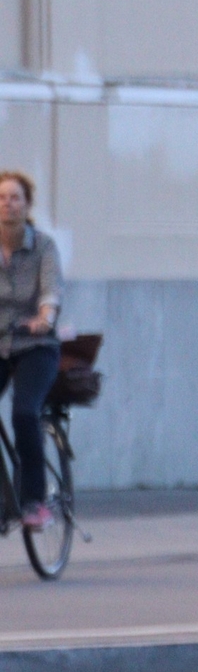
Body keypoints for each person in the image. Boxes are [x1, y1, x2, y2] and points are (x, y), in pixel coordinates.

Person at [0, 169, 62, 531]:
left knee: (24, 413)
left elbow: (51, 290)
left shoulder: (43, 247)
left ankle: (35, 503)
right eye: (2, 198)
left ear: (26, 205)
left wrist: (45, 315)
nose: (7, 204)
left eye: (15, 197)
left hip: (34, 345)